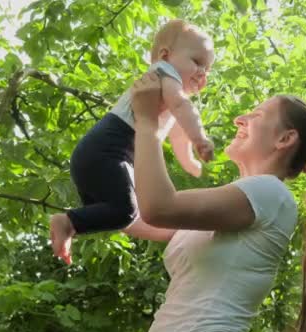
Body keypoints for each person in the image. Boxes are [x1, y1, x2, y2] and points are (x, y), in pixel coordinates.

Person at [129, 72, 306, 332]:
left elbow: (158, 207)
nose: (240, 119)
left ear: (284, 139)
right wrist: (76, 216)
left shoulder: (270, 192)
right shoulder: (238, 203)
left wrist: (148, 122)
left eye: (257, 115)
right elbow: (131, 215)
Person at [49, 19, 215, 265]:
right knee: (125, 211)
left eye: (208, 69)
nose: (203, 72)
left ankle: (73, 225)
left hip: (96, 155)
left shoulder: (168, 88)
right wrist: (201, 137)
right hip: (109, 150)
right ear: (165, 56)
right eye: (197, 62)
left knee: (118, 216)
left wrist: (189, 158)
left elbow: (178, 129)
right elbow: (182, 107)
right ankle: (67, 222)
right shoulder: (164, 72)